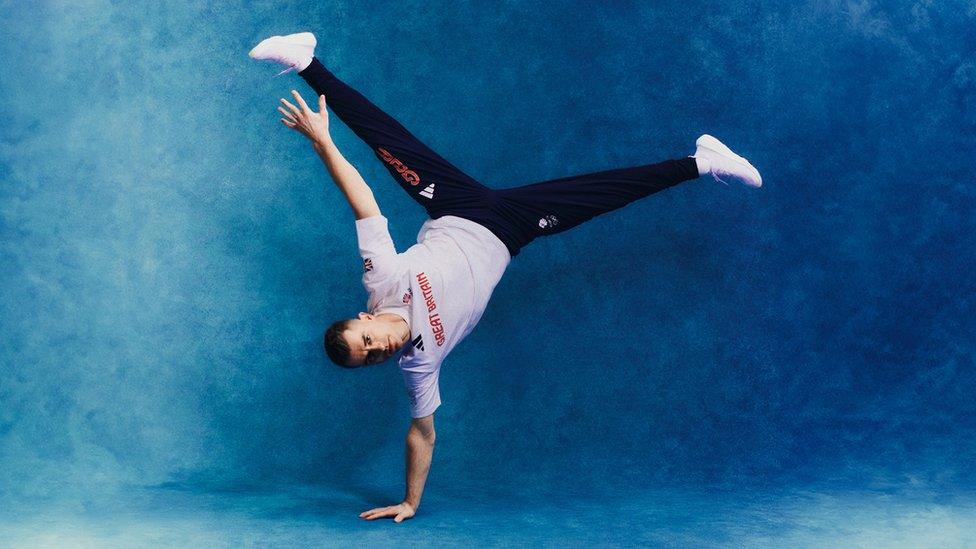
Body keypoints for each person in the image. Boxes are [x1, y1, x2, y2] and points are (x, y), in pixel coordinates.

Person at [249, 31, 761, 523]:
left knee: (388, 142)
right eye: (372, 358)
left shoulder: (383, 282)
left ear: (365, 319)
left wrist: (321, 143)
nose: (379, 349)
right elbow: (421, 434)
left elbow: (363, 202)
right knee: (602, 194)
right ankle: (702, 162)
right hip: (509, 230)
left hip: (455, 206)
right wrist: (410, 501)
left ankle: (305, 61)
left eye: (368, 339)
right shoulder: (418, 365)